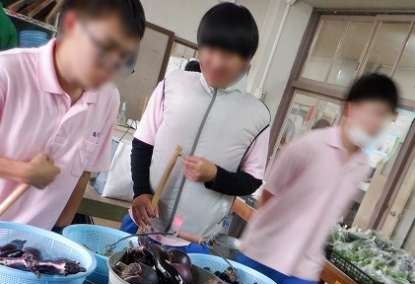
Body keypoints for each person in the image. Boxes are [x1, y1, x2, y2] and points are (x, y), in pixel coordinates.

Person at [237, 73, 399, 284]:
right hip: (262, 253)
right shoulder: (307, 147)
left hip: (304, 268)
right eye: (375, 113)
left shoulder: (361, 166)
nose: (378, 124)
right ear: (351, 107)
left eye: (385, 117)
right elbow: (268, 196)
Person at [121, 2, 270, 252]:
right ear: (199, 49)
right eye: (210, 49)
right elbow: (143, 144)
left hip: (194, 240)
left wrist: (215, 175)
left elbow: (251, 180)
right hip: (143, 223)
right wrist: (141, 192)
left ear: (246, 62)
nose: (217, 62)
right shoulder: (172, 85)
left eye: (229, 55)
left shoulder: (258, 115)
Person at [0, 0, 145, 229]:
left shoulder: (107, 98)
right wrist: (22, 171)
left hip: (36, 242)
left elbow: (84, 172)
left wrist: (62, 230)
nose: (110, 69)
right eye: (105, 49)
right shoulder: (8, 72)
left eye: (123, 59)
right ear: (71, 25)